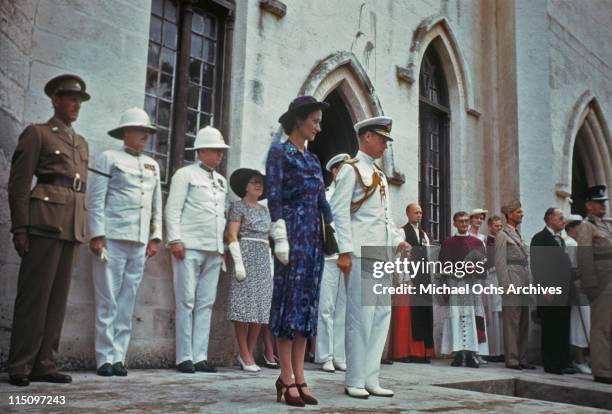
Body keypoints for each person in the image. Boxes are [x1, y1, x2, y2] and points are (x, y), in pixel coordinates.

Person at [7, 74, 90, 387]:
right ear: (55, 100)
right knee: (34, 297)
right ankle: (20, 364)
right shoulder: (38, 133)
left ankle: (44, 362)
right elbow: (18, 184)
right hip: (43, 222)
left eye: (79, 100)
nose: (76, 105)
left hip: (71, 225)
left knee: (57, 299)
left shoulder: (81, 142)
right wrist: (20, 227)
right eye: (70, 98)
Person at [331, 116, 409, 399]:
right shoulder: (351, 170)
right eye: (382, 139)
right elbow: (339, 212)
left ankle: (371, 377)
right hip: (361, 252)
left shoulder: (380, 176)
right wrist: (344, 250)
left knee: (380, 317)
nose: (385, 145)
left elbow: (385, 218)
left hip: (381, 253)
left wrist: (398, 241)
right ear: (367, 137)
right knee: (359, 318)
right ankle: (354, 379)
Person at [266, 95, 332, 406]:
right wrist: (279, 235)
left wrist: (333, 232)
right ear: (299, 121)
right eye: (315, 121)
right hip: (291, 233)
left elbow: (322, 201)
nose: (319, 127)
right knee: (288, 305)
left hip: (313, 239)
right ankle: (286, 377)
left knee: (306, 308)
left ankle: (300, 375)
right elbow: (275, 196)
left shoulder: (313, 159)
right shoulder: (280, 153)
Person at [88, 107, 162, 377]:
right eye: (141, 130)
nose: (145, 135)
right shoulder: (108, 158)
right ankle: (104, 358)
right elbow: (95, 199)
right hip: (113, 238)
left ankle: (118, 357)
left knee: (128, 300)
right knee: (107, 298)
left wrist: (155, 237)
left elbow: (157, 206)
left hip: (139, 241)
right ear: (126, 133)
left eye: (148, 131)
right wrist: (97, 234)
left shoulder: (153, 164)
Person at [164, 126, 229, 374]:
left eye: (221, 151)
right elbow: (173, 209)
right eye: (215, 150)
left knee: (206, 303)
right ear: (201, 150)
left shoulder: (221, 181)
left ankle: (201, 355)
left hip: (213, 249)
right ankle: (184, 357)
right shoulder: (185, 174)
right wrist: (175, 239)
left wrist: (221, 246)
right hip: (189, 247)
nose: (220, 155)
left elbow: (220, 215)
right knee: (186, 300)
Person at [226, 168, 273, 373]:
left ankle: (250, 351)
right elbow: (232, 235)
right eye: (254, 182)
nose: (258, 185)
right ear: (245, 186)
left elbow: (271, 237)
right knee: (243, 305)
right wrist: (238, 263)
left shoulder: (265, 210)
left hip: (263, 255)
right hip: (245, 254)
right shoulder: (238, 207)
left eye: (260, 182)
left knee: (261, 307)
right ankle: (244, 352)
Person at [439, 211, 488, 368]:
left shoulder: (477, 242)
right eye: (461, 221)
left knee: (471, 318)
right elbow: (442, 267)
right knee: (456, 318)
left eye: (466, 221)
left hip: (471, 285)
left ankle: (472, 354)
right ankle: (458, 354)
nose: (464, 224)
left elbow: (484, 266)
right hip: (455, 284)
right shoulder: (448, 243)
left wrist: (476, 267)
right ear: (454, 224)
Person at [530, 208, 575, 375]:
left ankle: (563, 362)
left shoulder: (560, 240)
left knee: (562, 327)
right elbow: (537, 266)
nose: (564, 221)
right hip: (549, 292)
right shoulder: (540, 238)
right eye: (561, 218)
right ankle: (551, 364)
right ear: (550, 219)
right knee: (550, 328)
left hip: (563, 292)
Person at [316, 153, 350, 373]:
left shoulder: (353, 196)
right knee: (326, 307)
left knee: (343, 308)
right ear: (335, 171)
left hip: (348, 256)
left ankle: (339, 355)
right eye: (344, 168)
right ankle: (325, 355)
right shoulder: (324, 195)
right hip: (329, 255)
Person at [576, 185, 612, 384]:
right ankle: (602, 370)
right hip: (601, 282)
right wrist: (590, 285)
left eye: (603, 202)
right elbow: (584, 256)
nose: (602, 205)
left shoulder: (604, 226)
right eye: (599, 203)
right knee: (601, 327)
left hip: (610, 281)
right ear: (589, 206)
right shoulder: (586, 226)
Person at [391, 203, 434, 364]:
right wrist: (404, 276)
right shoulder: (401, 232)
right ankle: (404, 352)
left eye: (421, 212)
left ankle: (422, 353)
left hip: (423, 277)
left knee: (423, 314)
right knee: (407, 315)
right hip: (408, 277)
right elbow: (398, 256)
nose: (419, 215)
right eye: (416, 212)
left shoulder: (424, 235)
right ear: (408, 214)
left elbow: (428, 257)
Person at [495, 200, 535, 370]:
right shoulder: (502, 235)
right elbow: (499, 262)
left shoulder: (519, 234)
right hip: (511, 279)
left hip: (523, 279)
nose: (522, 214)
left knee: (524, 321)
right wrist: (505, 285)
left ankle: (522, 358)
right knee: (512, 322)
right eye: (518, 212)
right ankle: (512, 359)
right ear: (510, 214)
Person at [564, 214, 591, 374]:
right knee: (580, 324)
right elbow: (573, 269)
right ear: (572, 228)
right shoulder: (571, 243)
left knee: (586, 323)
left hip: (584, 287)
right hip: (578, 287)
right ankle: (579, 359)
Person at [483, 215, 504, 363]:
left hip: (503, 279)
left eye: (500, 226)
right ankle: (493, 351)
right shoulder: (486, 242)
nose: (499, 229)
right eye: (496, 226)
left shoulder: (503, 240)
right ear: (490, 226)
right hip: (492, 278)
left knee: (502, 314)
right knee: (493, 313)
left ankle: (502, 349)